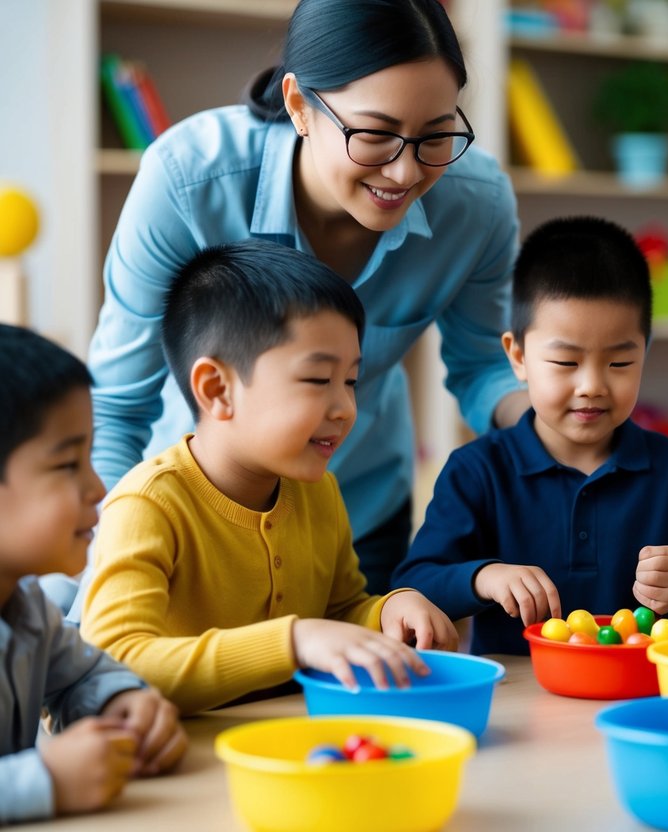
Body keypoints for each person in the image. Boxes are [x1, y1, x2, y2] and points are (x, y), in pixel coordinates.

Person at [82, 0, 528, 595]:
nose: (404, 174)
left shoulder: (476, 206)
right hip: (192, 519)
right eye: (374, 134)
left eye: (436, 136)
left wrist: (555, 418)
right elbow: (116, 408)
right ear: (298, 104)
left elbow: (483, 368)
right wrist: (100, 577)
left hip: (355, 512)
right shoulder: (188, 181)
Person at [80, 241, 457, 716]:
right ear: (217, 390)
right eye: (319, 380)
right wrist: (293, 640)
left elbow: (339, 612)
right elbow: (115, 662)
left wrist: (386, 612)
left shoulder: (320, 491)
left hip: (295, 745)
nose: (344, 409)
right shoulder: (148, 505)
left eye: (351, 381)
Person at [392, 217, 668, 654]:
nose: (592, 385)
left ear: (645, 352)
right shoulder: (477, 471)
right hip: (521, 693)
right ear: (518, 357)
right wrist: (484, 577)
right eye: (566, 363)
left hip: (637, 690)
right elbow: (413, 585)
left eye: (619, 363)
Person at [0, 325, 185, 824]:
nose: (97, 486)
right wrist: (45, 781)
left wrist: (124, 702)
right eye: (66, 465)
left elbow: (81, 674)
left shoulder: (26, 604)